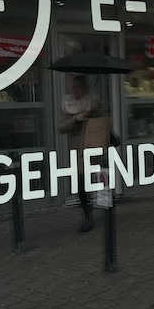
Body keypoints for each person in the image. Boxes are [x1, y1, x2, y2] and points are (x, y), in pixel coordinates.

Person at [57, 75, 101, 232]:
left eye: (79, 87)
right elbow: (60, 127)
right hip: (77, 150)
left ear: (85, 88)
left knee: (101, 179)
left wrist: (93, 113)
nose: (76, 91)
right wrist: (76, 118)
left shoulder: (94, 102)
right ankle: (88, 215)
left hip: (94, 146)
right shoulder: (68, 104)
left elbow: (105, 120)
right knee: (81, 184)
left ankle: (105, 209)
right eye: (74, 87)